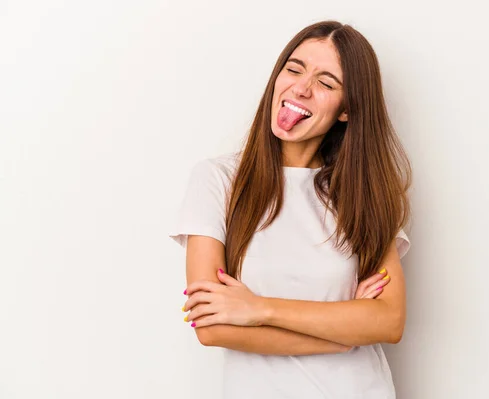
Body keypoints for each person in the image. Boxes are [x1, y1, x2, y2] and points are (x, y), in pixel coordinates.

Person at [169, 20, 412, 399]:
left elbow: (388, 321)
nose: (301, 87)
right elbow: (211, 326)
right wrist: (341, 334)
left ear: (347, 110)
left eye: (326, 83)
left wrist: (258, 309)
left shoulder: (364, 194)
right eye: (294, 69)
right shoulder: (218, 181)